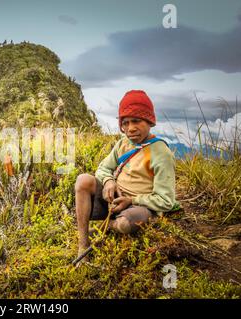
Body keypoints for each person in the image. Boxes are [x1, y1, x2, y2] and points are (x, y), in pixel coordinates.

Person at [75, 90, 176, 261]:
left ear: (149, 121)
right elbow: (103, 168)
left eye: (136, 121)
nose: (130, 128)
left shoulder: (161, 153)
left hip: (138, 207)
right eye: (125, 123)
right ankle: (83, 244)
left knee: (124, 224)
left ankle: (106, 227)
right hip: (113, 201)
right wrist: (108, 182)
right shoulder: (123, 144)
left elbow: (166, 201)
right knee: (83, 180)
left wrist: (131, 200)